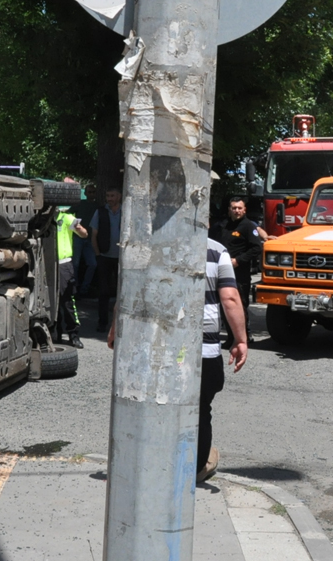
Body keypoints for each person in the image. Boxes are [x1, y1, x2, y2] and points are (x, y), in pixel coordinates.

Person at [106, 237, 248, 483]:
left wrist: (114, 328)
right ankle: (194, 470)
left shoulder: (150, 244)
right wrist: (240, 339)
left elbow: (128, 290)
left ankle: (151, 464)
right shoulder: (216, 250)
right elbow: (230, 298)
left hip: (158, 346)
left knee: (155, 406)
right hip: (203, 350)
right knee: (201, 411)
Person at [210, 196, 262, 343]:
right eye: (234, 208)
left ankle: (243, 337)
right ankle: (230, 337)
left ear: (244, 210)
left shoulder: (248, 226)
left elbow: (257, 248)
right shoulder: (222, 225)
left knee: (239, 304)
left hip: (239, 272)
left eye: (239, 208)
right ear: (229, 210)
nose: (237, 211)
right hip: (220, 271)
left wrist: (238, 260)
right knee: (224, 303)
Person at [54, 205, 89, 348]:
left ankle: (73, 334)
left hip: (63, 265)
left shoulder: (67, 217)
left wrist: (79, 228)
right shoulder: (43, 219)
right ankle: (54, 333)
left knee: (67, 301)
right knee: (50, 301)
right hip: (46, 264)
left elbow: (84, 234)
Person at [90, 188, 123, 331]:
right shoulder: (101, 212)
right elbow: (94, 235)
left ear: (119, 196)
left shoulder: (126, 211)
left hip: (122, 259)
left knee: (122, 291)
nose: (110, 198)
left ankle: (120, 325)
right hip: (104, 256)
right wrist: (98, 255)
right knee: (104, 292)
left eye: (112, 195)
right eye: (108, 195)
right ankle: (102, 323)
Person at [72, 185, 100, 298]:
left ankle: (85, 288)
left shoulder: (98, 206)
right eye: (89, 192)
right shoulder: (80, 203)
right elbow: (67, 214)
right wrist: (74, 227)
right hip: (78, 237)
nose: (91, 194)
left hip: (91, 239)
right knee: (75, 264)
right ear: (86, 193)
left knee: (92, 264)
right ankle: (75, 288)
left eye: (93, 192)